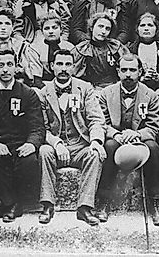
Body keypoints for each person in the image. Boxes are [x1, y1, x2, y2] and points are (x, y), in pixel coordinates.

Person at [38, 49, 107, 226]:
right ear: (52, 66)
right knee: (44, 151)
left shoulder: (85, 88)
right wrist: (56, 142)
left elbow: (96, 119)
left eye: (68, 64)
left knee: (95, 154)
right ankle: (47, 205)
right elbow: (41, 128)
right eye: (59, 64)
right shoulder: (43, 93)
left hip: (79, 145)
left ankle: (84, 207)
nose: (63, 68)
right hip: (56, 147)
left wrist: (96, 141)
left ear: (73, 67)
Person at [96, 53, 159, 224]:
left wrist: (137, 134)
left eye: (133, 70)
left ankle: (155, 202)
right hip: (116, 137)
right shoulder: (106, 93)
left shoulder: (150, 95)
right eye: (124, 70)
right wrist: (118, 135)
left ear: (140, 72)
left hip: (139, 138)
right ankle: (103, 201)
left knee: (154, 148)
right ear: (118, 71)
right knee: (110, 146)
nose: (128, 74)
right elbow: (102, 123)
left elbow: (153, 126)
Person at [0, 48, 45, 221]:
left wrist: (31, 144)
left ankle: (14, 204)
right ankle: (10, 202)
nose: (5, 69)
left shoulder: (28, 93)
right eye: (0, 65)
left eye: (9, 64)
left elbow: (37, 126)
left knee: (29, 159)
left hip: (21, 143)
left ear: (16, 67)